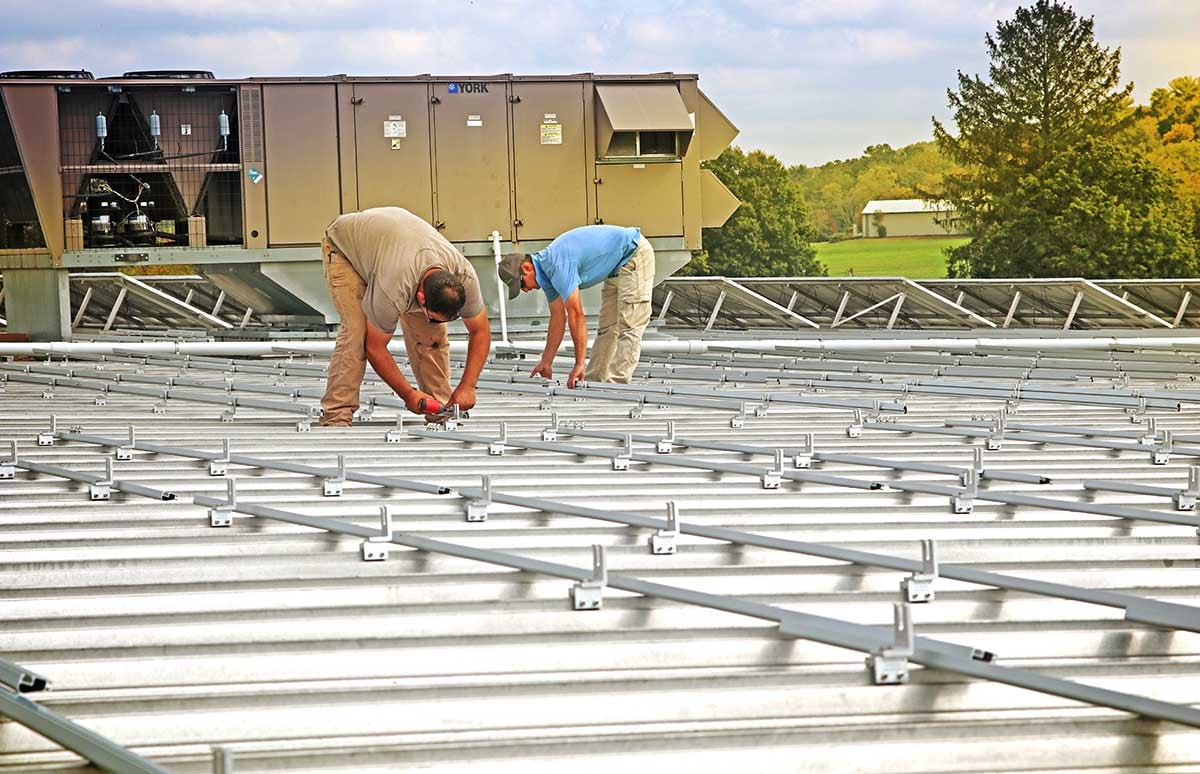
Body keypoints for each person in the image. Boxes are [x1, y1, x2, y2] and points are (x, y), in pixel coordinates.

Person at [319, 206, 491, 426]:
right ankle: (337, 415)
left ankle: (440, 408)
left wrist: (468, 386)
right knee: (357, 333)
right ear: (420, 296)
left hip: (393, 246)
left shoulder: (464, 276)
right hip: (346, 248)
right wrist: (407, 394)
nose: (436, 323)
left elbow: (480, 331)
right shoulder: (394, 288)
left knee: (432, 336)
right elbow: (375, 347)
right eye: (433, 316)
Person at [497, 225, 654, 388]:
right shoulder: (546, 274)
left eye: (521, 284)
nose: (525, 290)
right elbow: (558, 318)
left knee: (629, 326)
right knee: (608, 328)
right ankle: (593, 382)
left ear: (527, 268)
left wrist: (579, 364)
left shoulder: (557, 265)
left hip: (633, 254)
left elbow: (576, 315)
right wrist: (546, 361)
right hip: (615, 268)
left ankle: (617, 387)